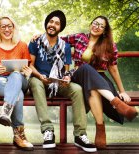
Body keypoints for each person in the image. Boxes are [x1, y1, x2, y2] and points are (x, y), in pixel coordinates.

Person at [60, 16, 138, 149]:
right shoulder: (79, 37)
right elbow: (56, 40)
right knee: (85, 68)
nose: (97, 27)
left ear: (104, 31)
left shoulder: (109, 46)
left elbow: (113, 69)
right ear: (91, 24)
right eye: (95, 23)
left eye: (101, 26)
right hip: (78, 75)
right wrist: (40, 36)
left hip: (99, 79)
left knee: (93, 88)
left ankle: (100, 129)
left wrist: (123, 91)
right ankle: (117, 103)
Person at [28, 10, 96, 152]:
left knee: (77, 89)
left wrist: (66, 78)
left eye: (57, 23)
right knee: (34, 82)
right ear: (47, 23)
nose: (53, 25)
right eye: (51, 21)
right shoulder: (36, 41)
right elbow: (30, 65)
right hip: (40, 81)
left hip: (57, 83)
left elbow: (66, 70)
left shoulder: (64, 46)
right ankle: (48, 131)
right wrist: (40, 76)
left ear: (61, 27)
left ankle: (80, 135)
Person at [0, 16, 33, 151]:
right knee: (17, 93)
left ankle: (6, 111)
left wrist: (28, 72)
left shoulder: (22, 45)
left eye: (10, 26)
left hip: (20, 80)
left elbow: (27, 68)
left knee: (16, 74)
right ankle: (19, 135)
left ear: (14, 28)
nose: (7, 29)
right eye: (3, 26)